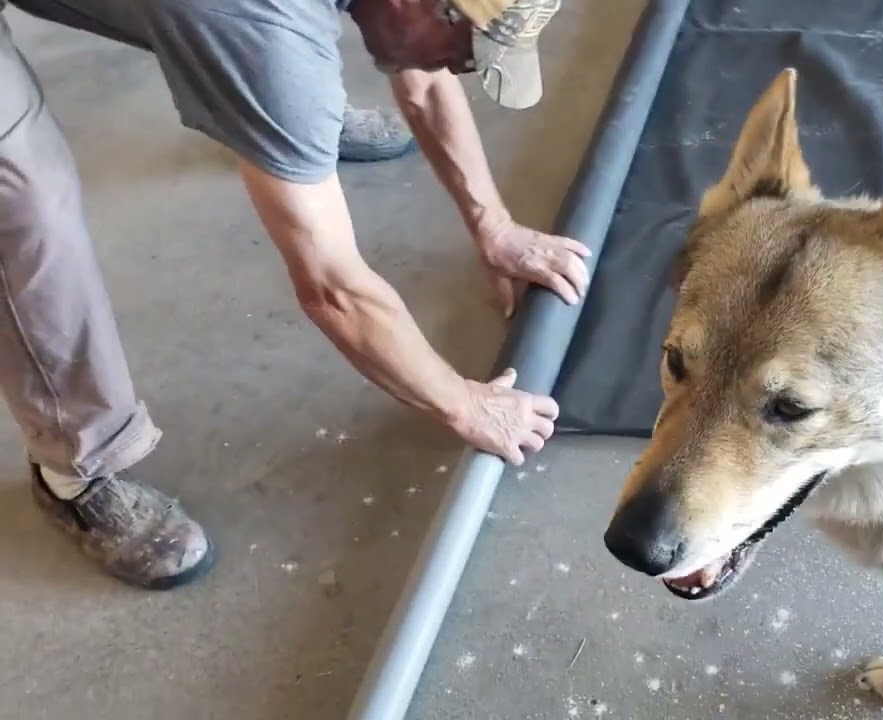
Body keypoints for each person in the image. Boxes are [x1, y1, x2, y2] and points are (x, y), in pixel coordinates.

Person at [0, 0, 587, 590]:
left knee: (285, 80)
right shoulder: (264, 30)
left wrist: (494, 227)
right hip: (247, 25)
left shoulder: (399, 18)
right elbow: (334, 290)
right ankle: (73, 471)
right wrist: (464, 403)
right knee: (29, 207)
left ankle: (293, 121)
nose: (462, 67)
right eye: (467, 50)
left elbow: (428, 78)